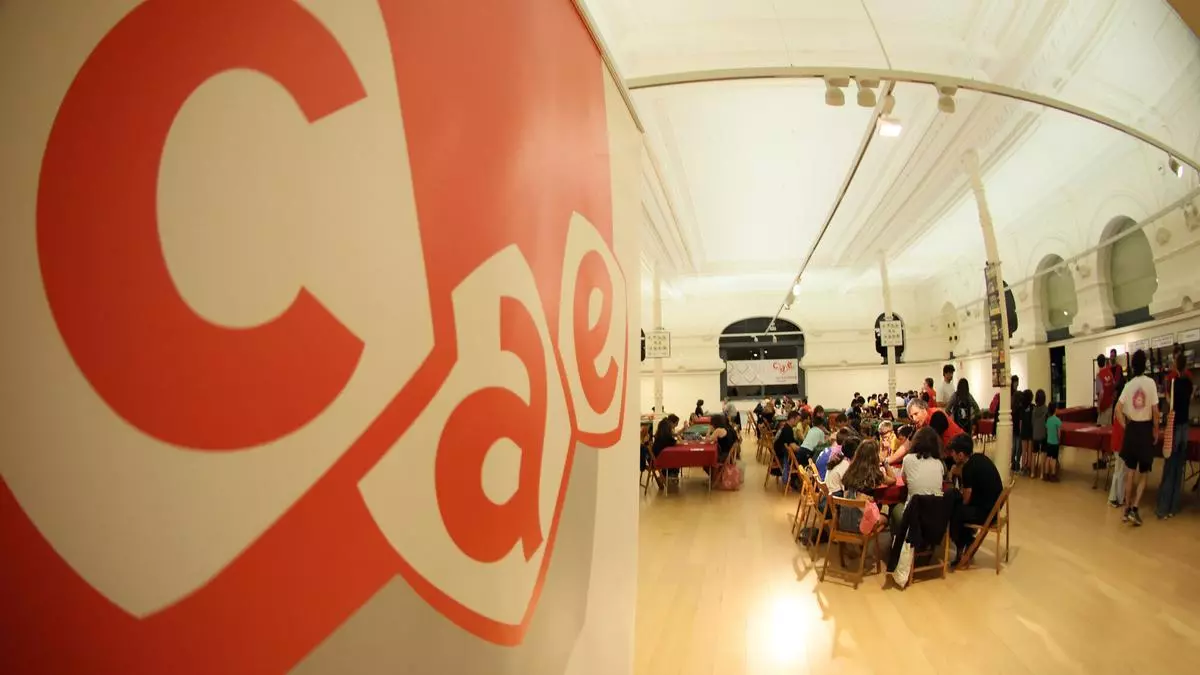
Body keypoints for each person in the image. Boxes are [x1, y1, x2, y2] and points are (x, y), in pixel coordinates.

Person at [1116, 349, 1159, 527]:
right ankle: (1134, 508)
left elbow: (1118, 409)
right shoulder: (1151, 383)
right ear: (1145, 364)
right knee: (1144, 472)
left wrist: (1125, 426)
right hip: (1145, 430)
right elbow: (1155, 411)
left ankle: (1126, 510)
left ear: (1133, 366)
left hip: (1132, 429)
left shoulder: (1128, 385)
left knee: (1130, 472)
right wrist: (1156, 430)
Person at [948, 434, 1002, 567]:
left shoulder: (968, 468)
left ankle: (962, 546)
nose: (951, 455)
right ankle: (967, 541)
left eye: (953, 453)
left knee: (955, 512)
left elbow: (966, 499)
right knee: (959, 509)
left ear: (961, 455)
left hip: (987, 514)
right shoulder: (979, 458)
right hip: (995, 508)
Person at [1157, 352, 1193, 519]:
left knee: (1169, 467)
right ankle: (1174, 506)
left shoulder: (1173, 383)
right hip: (1185, 427)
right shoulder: (1188, 383)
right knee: (1179, 468)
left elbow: (1170, 403)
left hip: (1174, 427)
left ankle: (1163, 507)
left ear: (1176, 364)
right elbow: (1189, 399)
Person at [652, 414, 682, 483]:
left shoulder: (664, 426)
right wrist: (678, 441)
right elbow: (671, 440)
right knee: (676, 457)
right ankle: (671, 475)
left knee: (675, 456)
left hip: (657, 452)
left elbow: (671, 438)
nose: (676, 425)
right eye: (676, 423)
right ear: (671, 423)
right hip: (659, 456)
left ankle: (670, 474)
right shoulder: (666, 428)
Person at [773, 411, 802, 477]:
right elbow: (793, 447)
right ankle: (799, 478)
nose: (798, 422)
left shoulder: (787, 427)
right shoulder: (787, 430)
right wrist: (803, 450)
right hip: (781, 454)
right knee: (803, 457)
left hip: (780, 451)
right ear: (792, 419)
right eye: (797, 420)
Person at [1029, 390, 1048, 478]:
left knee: (1034, 454)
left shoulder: (1034, 410)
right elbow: (1047, 423)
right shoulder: (1046, 409)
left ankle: (1032, 473)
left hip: (1035, 434)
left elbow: (1032, 423)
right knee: (1043, 454)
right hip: (1043, 434)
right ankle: (1041, 474)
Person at [1096, 353, 1117, 425]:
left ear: (1098, 364)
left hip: (1103, 406)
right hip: (1110, 404)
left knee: (1102, 427)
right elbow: (1114, 387)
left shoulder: (1099, 376)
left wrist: (1098, 406)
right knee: (1109, 427)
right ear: (1105, 362)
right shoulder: (1110, 373)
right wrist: (1112, 400)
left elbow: (1101, 392)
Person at [1043, 402, 1062, 482]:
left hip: (1048, 442)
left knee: (1048, 457)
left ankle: (1046, 474)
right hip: (1055, 443)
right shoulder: (1057, 420)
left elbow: (1047, 431)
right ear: (1055, 410)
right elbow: (1059, 433)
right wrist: (1059, 440)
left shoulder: (1048, 420)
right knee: (1054, 459)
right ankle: (1053, 475)